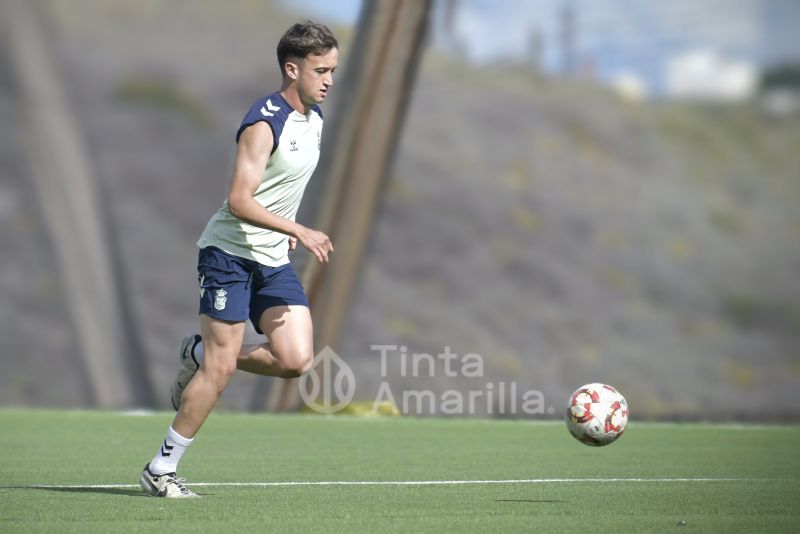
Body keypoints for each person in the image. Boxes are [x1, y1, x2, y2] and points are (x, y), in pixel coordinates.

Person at [139, 20, 338, 498]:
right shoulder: (263, 121)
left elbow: (279, 190)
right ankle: (160, 469)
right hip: (228, 255)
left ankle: (197, 352)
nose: (329, 79)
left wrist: (284, 227)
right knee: (222, 371)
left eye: (333, 70)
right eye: (320, 70)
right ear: (292, 69)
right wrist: (297, 228)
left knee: (296, 361)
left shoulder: (314, 120)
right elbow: (239, 200)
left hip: (271, 257)